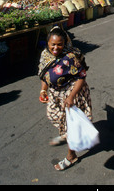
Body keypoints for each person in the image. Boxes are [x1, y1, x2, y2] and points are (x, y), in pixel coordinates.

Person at [38, 26, 92, 171]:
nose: (56, 48)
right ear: (48, 43)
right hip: (55, 95)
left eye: (60, 44)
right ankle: (66, 134)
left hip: (71, 95)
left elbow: (81, 77)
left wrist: (71, 97)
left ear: (65, 43)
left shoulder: (70, 57)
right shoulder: (46, 56)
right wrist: (43, 90)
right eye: (53, 44)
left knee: (71, 126)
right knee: (53, 115)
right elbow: (44, 75)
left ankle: (71, 156)